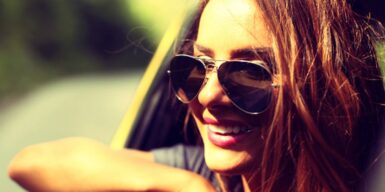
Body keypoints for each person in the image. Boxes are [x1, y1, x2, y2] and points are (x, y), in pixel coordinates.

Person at [8, 0, 385, 191]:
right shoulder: (200, 172)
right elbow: (29, 164)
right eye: (197, 66)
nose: (207, 95)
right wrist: (182, 185)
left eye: (249, 73)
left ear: (319, 85)